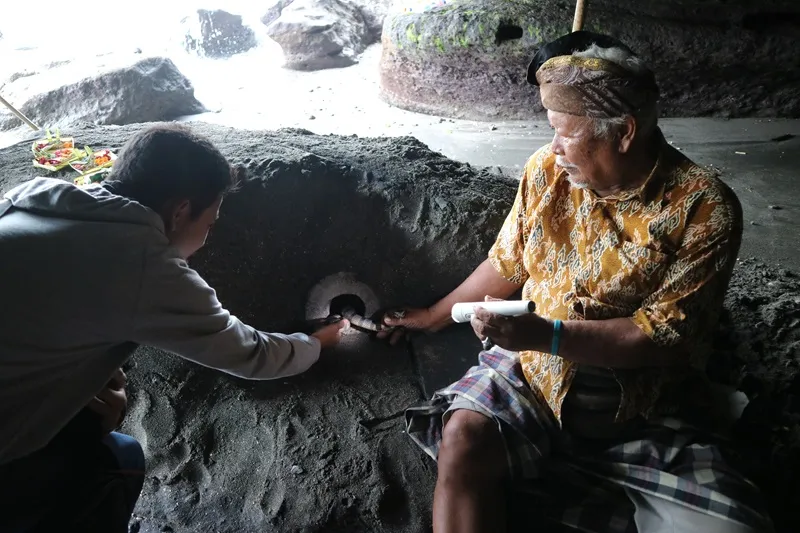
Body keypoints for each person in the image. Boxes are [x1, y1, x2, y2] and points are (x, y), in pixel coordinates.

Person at [381, 32, 773, 533]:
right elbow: (510, 260)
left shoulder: (702, 208)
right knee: (463, 443)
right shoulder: (548, 171)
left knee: (731, 527)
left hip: (640, 408)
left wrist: (548, 335)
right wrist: (434, 317)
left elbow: (664, 337)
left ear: (625, 132)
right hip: (534, 375)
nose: (554, 147)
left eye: (565, 131)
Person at [0, 123, 349, 532]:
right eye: (210, 223)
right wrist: (315, 342)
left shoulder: (32, 202)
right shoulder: (140, 264)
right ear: (180, 211)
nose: (205, 238)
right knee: (120, 459)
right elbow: (254, 355)